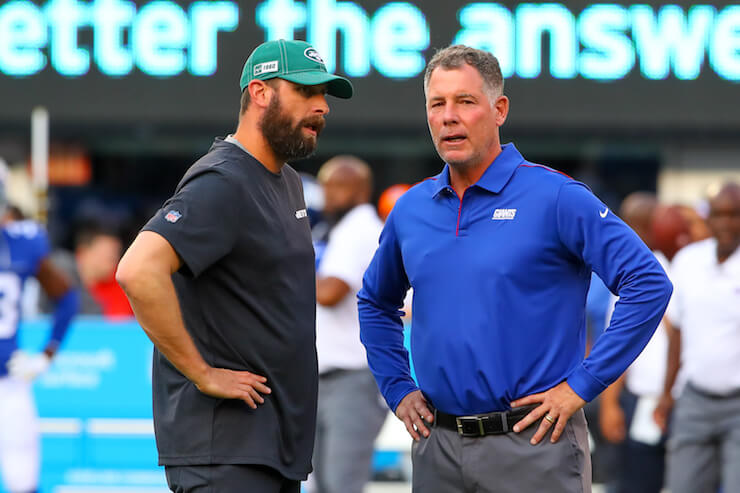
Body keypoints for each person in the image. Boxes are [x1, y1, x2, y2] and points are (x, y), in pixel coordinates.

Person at [357, 44, 673, 492]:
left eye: (465, 102)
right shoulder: (411, 209)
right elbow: (374, 302)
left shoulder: (556, 197)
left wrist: (582, 385)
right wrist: (397, 387)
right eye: (437, 104)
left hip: (534, 446)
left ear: (499, 108)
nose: (449, 116)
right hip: (437, 447)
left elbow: (647, 283)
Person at [115, 39, 352, 493]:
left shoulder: (285, 181)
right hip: (226, 448)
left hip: (269, 444)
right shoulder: (225, 179)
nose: (322, 106)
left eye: (325, 95)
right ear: (260, 93)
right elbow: (138, 270)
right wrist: (201, 372)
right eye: (306, 92)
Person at [310, 156, 387, 493]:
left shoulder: (361, 228)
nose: (329, 195)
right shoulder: (336, 229)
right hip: (324, 375)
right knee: (320, 483)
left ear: (361, 190)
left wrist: (282, 271)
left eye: (339, 187)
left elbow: (329, 292)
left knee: (342, 484)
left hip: (353, 377)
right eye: (326, 187)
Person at [657, 183, 740, 493]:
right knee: (681, 485)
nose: (727, 224)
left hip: (738, 403)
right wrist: (666, 394)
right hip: (695, 399)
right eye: (720, 215)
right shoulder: (688, 261)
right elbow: (677, 335)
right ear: (709, 218)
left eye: (735, 215)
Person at [0, 181, 80, 493]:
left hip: (8, 381)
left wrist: (46, 355)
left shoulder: (22, 242)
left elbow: (67, 298)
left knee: (23, 482)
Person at [598, 192, 673, 493]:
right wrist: (610, 403)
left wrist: (608, 403)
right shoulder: (628, 269)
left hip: (668, 398)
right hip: (640, 398)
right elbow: (616, 342)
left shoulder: (650, 269)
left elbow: (618, 344)